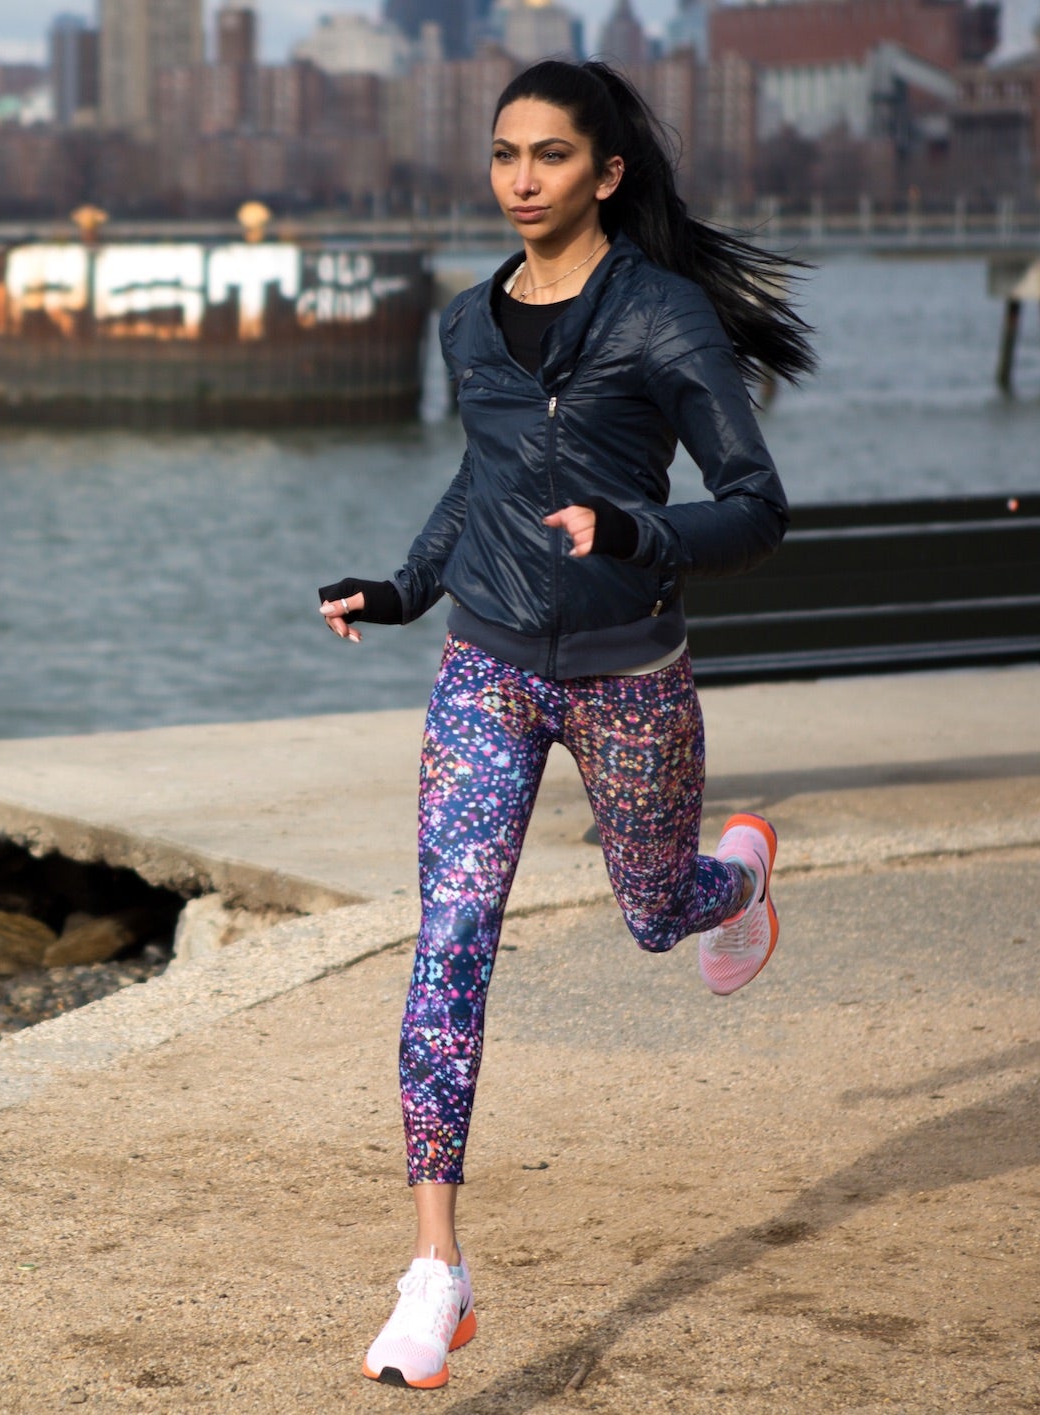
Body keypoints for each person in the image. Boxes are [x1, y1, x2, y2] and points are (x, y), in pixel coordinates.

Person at [318, 58, 817, 1391]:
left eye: (548, 157)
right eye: (503, 156)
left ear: (604, 174)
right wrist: (406, 587)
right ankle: (438, 1273)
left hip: (627, 671)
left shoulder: (663, 321)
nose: (520, 179)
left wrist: (636, 529)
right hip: (487, 666)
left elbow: (758, 505)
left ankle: (740, 878)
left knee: (653, 911)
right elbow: (484, 474)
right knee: (451, 941)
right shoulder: (466, 325)